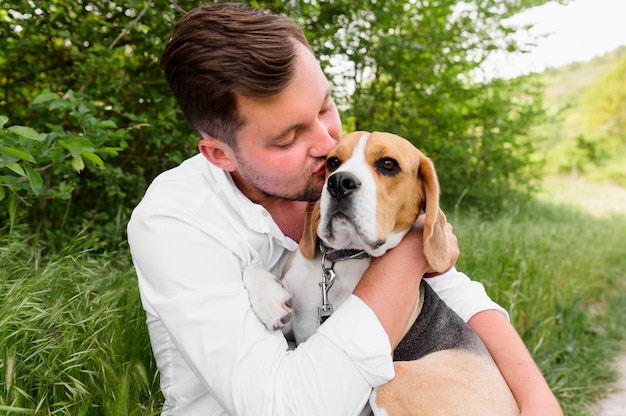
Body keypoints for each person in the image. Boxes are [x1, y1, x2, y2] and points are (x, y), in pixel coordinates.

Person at [127, 3, 563, 415]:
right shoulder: (174, 222)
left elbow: (450, 288)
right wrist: (406, 254)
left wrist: (538, 400)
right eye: (287, 138)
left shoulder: (336, 170)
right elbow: (285, 407)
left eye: (325, 106)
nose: (325, 144)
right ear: (220, 155)